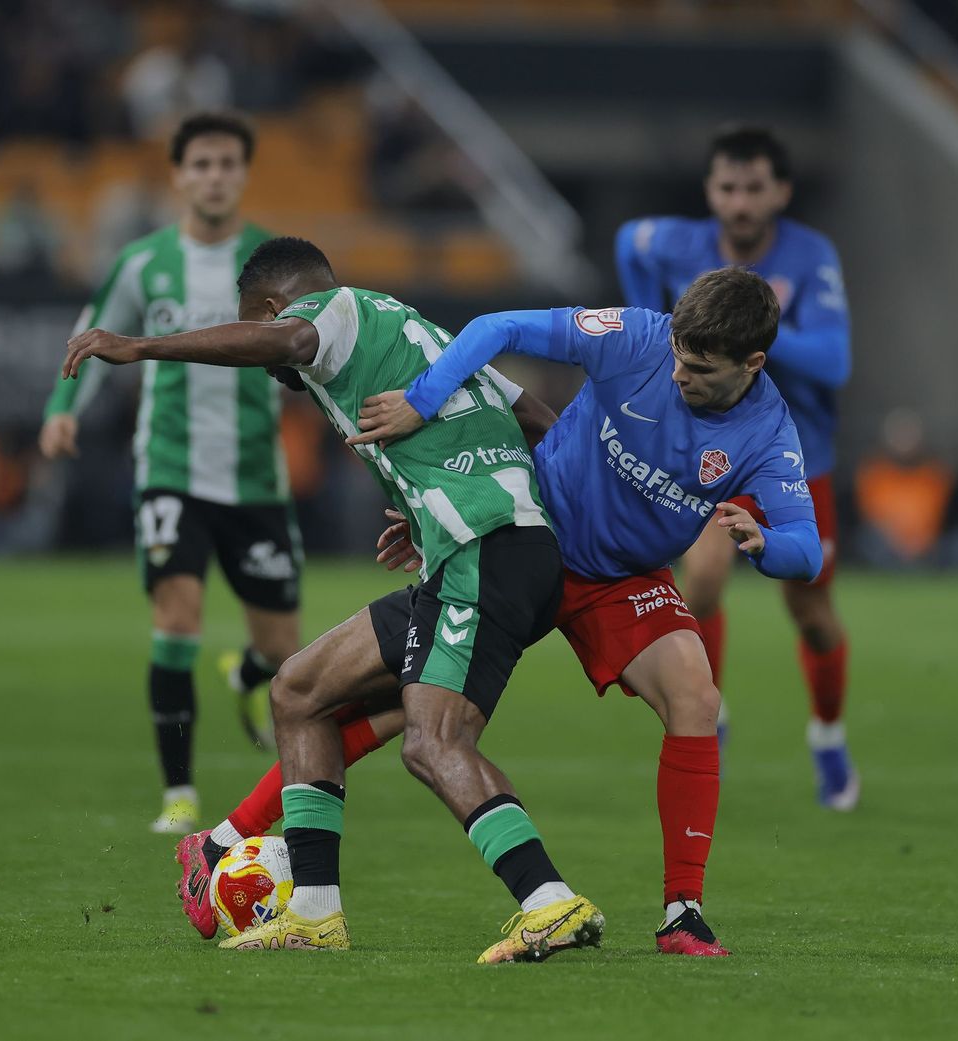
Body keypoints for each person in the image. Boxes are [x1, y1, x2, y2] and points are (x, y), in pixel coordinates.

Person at [177, 265, 821, 959]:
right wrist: (432, 428)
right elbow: (498, 328)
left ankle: (681, 914)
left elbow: (806, 550)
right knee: (399, 710)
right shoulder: (639, 337)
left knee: (694, 694)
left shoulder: (769, 434)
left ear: (751, 364)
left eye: (698, 368)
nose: (678, 374)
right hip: (528, 534)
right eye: (677, 357)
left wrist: (767, 545)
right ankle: (230, 843)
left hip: (614, 579)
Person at [61, 237, 605, 964]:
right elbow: (539, 418)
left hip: (486, 552)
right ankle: (315, 911)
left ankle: (548, 900)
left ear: (270, 304)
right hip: (485, 551)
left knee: (432, 740)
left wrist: (140, 346)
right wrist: (433, 504)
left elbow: (288, 336)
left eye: (258, 325)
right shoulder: (424, 336)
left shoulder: (335, 313)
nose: (272, 356)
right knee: (299, 689)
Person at [38, 113, 302, 835]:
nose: (215, 176)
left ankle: (248, 675)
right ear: (178, 176)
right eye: (202, 164)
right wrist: (64, 407)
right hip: (172, 469)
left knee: (286, 649)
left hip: (255, 477)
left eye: (227, 164)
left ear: (243, 175)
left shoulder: (276, 265)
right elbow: (93, 334)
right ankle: (179, 792)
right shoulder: (145, 262)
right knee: (176, 618)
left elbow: (320, 345)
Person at [615, 125, 857, 810]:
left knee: (810, 609)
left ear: (780, 191)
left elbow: (836, 362)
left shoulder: (811, 255)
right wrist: (655, 321)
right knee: (705, 578)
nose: (741, 202)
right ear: (710, 191)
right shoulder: (677, 243)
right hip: (712, 446)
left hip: (793, 450)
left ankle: (829, 735)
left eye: (755, 188)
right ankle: (707, 721)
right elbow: (626, 240)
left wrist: (744, 336)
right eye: (728, 187)